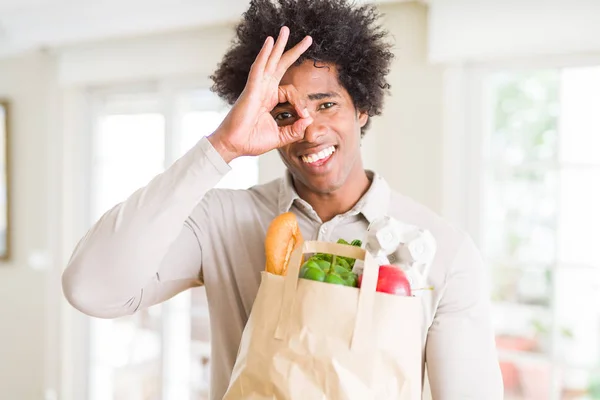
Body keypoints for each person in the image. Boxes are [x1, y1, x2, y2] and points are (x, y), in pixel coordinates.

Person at [62, 0, 504, 398]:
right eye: (285, 113)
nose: (310, 130)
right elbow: (93, 291)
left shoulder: (443, 250)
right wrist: (222, 147)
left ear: (362, 107)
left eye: (326, 104)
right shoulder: (221, 221)